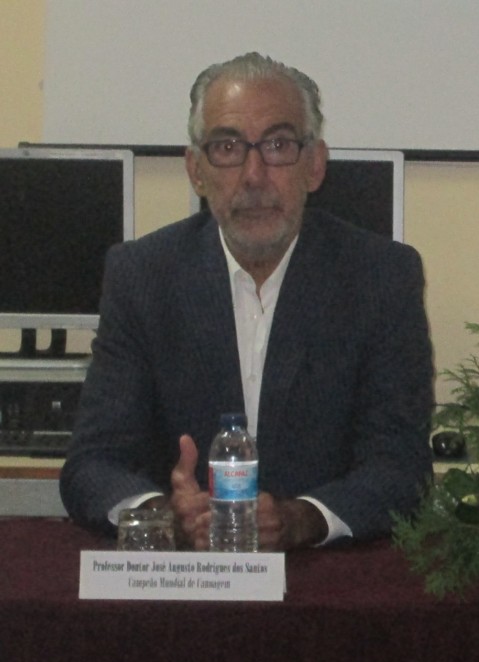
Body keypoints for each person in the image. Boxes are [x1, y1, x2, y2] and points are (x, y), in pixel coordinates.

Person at [60, 52, 435, 551]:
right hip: (185, 581)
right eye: (228, 147)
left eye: (278, 145)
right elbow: (92, 465)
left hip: (324, 576)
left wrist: (301, 519)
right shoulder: (144, 276)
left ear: (315, 165)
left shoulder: (380, 278)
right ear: (196, 170)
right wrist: (163, 515)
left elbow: (402, 468)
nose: (254, 175)